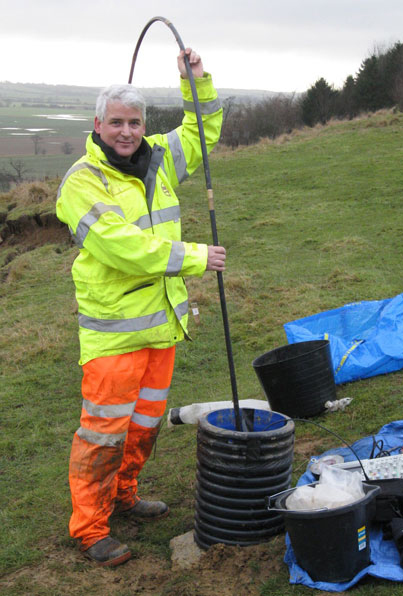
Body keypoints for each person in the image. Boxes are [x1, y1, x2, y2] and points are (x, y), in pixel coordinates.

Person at [56, 48, 225, 566]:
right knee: (102, 434)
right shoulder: (81, 183)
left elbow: (202, 135)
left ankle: (124, 495)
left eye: (134, 122)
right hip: (113, 337)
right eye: (116, 122)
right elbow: (123, 248)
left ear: (144, 125)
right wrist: (195, 257)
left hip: (161, 329)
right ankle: (89, 528)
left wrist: (195, 82)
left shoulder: (159, 156)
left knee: (144, 426)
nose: (126, 131)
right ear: (97, 125)